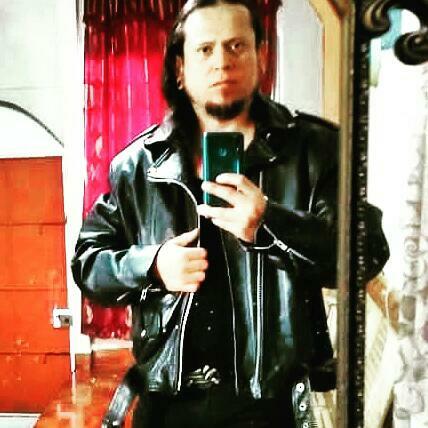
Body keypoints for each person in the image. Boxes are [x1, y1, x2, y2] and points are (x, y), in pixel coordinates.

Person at [72, 1, 389, 427]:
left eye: (236, 45)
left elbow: (368, 252)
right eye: (205, 49)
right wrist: (153, 265)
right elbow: (89, 262)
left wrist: (270, 224)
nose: (222, 61)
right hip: (166, 404)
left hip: (271, 405)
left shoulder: (314, 149)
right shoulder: (138, 166)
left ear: (261, 56)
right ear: (180, 69)